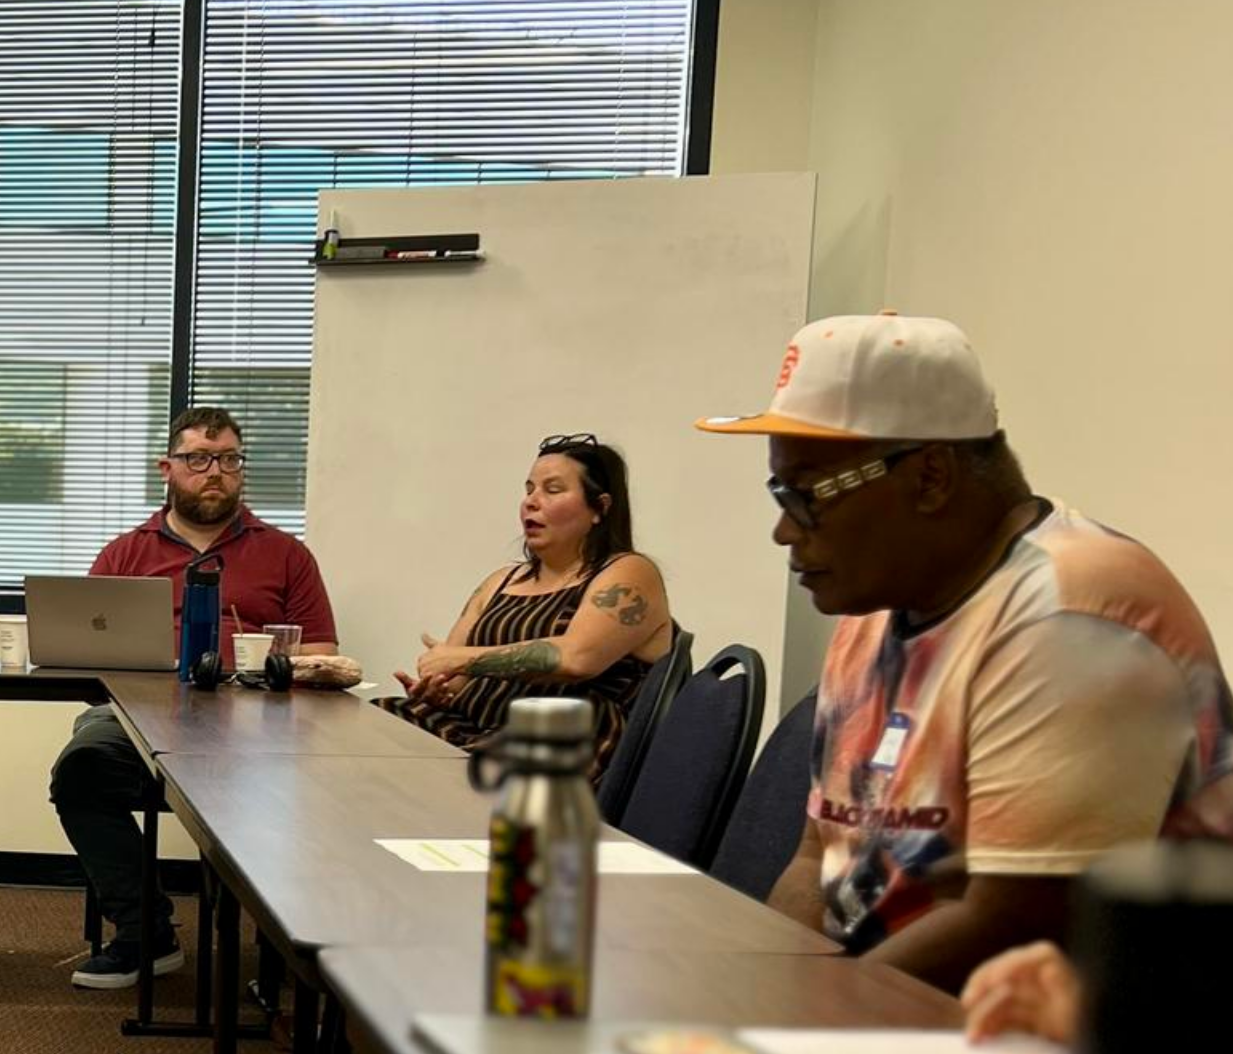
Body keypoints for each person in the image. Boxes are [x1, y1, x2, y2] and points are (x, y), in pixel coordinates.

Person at [698, 312, 1233, 992]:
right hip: (895, 1025)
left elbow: (1017, 924)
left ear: (929, 478)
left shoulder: (1074, 614)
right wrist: (764, 996)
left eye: (806, 497)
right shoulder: (879, 609)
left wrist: (797, 1029)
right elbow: (817, 857)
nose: (783, 530)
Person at [50, 405, 338, 988]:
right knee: (81, 770)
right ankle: (144, 932)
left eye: (229, 460)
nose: (215, 472)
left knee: (287, 800)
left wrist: (268, 668)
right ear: (167, 467)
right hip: (137, 716)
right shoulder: (126, 554)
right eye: (198, 459)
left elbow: (324, 652)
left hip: (256, 725)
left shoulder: (286, 555)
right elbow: (81, 645)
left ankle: (280, 960)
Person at [382, 434, 674, 778]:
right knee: (375, 729)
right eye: (529, 489)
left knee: (437, 781)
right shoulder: (502, 581)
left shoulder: (627, 571)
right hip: (470, 727)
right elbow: (453, 679)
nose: (531, 502)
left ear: (600, 508)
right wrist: (437, 691)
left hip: (557, 737)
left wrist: (461, 658)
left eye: (552, 490)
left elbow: (575, 659)